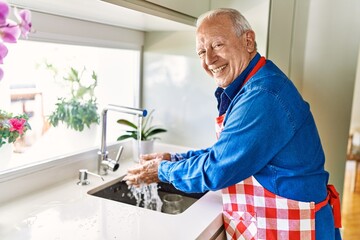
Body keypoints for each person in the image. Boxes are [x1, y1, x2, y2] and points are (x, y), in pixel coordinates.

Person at [124, 8, 342, 240]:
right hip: (280, 222)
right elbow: (228, 151)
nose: (208, 60)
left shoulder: (262, 95)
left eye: (217, 45)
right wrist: (174, 159)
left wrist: (161, 171)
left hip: (294, 228)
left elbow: (217, 169)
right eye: (201, 52)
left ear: (248, 41)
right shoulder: (253, 85)